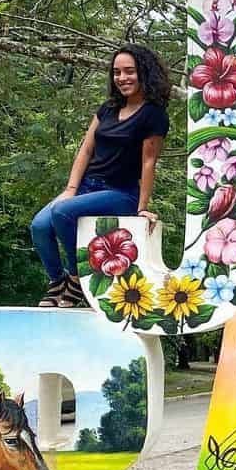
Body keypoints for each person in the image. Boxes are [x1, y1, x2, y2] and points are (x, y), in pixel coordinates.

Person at [30, 45, 170, 307]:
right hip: (86, 187)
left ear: (144, 73)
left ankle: (77, 278)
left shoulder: (154, 115)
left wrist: (142, 208)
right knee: (39, 226)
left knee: (62, 213)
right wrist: (71, 188)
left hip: (120, 193)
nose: (122, 78)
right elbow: (85, 149)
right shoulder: (107, 109)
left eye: (129, 71)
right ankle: (57, 282)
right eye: (116, 72)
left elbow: (149, 162)